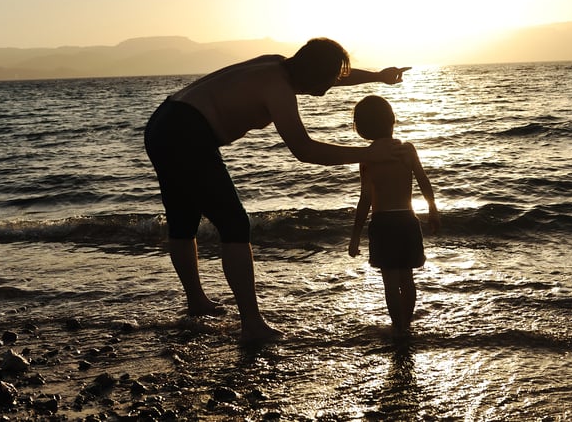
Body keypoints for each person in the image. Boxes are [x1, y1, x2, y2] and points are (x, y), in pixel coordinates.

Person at [144, 38, 409, 342]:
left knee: (183, 218)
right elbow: (304, 149)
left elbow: (337, 76)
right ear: (313, 73)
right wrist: (366, 154)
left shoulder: (279, 65)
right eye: (329, 78)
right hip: (185, 132)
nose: (332, 85)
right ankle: (251, 325)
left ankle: (197, 303)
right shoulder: (278, 88)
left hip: (164, 122)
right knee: (234, 224)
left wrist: (378, 76)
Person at [347, 95, 439, 336]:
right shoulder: (406, 150)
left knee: (390, 283)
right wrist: (432, 209)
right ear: (392, 120)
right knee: (407, 280)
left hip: (383, 223)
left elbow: (365, 199)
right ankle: (406, 325)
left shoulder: (367, 157)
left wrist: (355, 237)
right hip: (407, 220)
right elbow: (423, 181)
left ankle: (397, 328)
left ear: (362, 128)